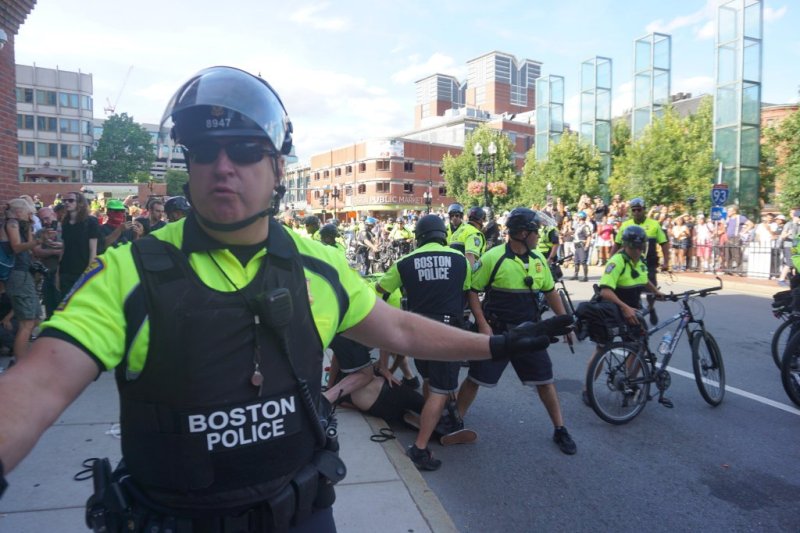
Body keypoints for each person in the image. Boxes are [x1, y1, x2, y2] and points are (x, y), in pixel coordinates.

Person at [0, 66, 568, 531]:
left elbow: (398, 329)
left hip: (300, 516)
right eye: (205, 149)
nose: (223, 166)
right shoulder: (130, 274)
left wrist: (500, 343)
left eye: (245, 149)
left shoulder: (317, 266)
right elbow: (38, 384)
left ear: (277, 167)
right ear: (188, 164)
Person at [456, 207, 577, 455]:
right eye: (536, 232)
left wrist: (565, 321)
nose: (539, 236)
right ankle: (455, 420)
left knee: (545, 382)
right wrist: (483, 323)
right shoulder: (493, 257)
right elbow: (472, 290)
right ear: (522, 233)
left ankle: (560, 429)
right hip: (498, 333)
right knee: (475, 379)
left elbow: (551, 291)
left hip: (530, 334)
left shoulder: (538, 259)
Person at [377, 214, 472, 471]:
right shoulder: (460, 259)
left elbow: (379, 293)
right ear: (443, 235)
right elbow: (467, 295)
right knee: (441, 390)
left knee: (430, 381)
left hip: (418, 333)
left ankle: (435, 419)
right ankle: (419, 449)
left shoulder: (404, 262)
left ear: (418, 237)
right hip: (446, 333)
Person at [582, 225, 663, 405]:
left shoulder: (639, 261)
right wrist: (624, 307)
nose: (639, 250)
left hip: (633, 311)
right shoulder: (616, 262)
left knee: (639, 345)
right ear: (627, 245)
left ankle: (629, 382)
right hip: (613, 312)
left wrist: (656, 292)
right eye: (636, 247)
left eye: (641, 247)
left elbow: (643, 279)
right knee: (602, 350)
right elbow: (605, 291)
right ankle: (587, 390)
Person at [612, 197, 669, 325]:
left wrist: (666, 262)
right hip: (629, 262)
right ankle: (634, 309)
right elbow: (617, 244)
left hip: (649, 261)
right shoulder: (626, 225)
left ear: (644, 210)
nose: (636, 212)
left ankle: (651, 307)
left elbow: (664, 243)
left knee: (651, 288)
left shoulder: (654, 225)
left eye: (639, 210)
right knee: (633, 288)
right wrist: (611, 259)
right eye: (634, 210)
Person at [4, 199, 42, 361]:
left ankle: (20, 357)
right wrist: (36, 241)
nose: (31, 216)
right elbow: (17, 247)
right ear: (19, 212)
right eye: (29, 213)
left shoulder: (20, 225)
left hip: (24, 273)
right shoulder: (11, 223)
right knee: (26, 322)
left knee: (35, 317)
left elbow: (31, 249)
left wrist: (30, 229)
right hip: (17, 274)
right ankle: (20, 362)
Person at [58, 191, 99, 295]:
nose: (67, 203)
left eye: (71, 200)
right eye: (65, 201)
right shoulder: (65, 223)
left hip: (82, 270)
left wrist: (89, 274)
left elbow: (93, 250)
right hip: (65, 271)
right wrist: (57, 273)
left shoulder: (90, 222)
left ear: (80, 203)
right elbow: (64, 248)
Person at [33, 207, 64, 319]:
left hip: (63, 273)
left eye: (47, 218)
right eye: (42, 220)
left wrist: (62, 250)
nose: (46, 222)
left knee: (62, 306)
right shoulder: (41, 232)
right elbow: (36, 251)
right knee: (50, 306)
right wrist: (55, 252)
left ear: (54, 215)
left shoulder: (66, 229)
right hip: (47, 274)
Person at [572, 211, 593, 281]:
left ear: (581, 218)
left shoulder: (585, 227)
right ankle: (575, 275)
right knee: (576, 261)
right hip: (577, 245)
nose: (577, 218)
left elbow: (589, 236)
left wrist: (586, 246)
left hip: (582, 245)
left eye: (578, 217)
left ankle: (585, 277)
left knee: (583, 261)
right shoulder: (578, 226)